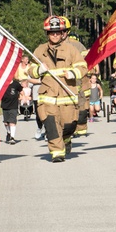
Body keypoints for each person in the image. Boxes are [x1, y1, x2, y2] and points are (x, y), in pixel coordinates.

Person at [27, 16, 88, 163]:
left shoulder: (71, 50)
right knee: (51, 125)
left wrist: (74, 73)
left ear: (62, 34)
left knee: (69, 126)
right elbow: (30, 69)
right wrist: (38, 70)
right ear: (47, 33)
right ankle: (57, 153)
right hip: (47, 98)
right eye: (52, 32)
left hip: (67, 97)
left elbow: (83, 66)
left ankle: (66, 139)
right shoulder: (40, 50)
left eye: (58, 32)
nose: (55, 35)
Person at [66, 33, 91, 138]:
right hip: (81, 79)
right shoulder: (80, 45)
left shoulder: (67, 45)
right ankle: (81, 129)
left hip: (69, 80)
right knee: (82, 105)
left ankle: (72, 129)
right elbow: (87, 61)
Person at [0, 76, 22, 143]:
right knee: (6, 123)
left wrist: (22, 97)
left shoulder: (16, 84)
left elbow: (21, 90)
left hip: (13, 105)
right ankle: (8, 132)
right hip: (5, 105)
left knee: (12, 122)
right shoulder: (2, 83)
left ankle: (12, 137)